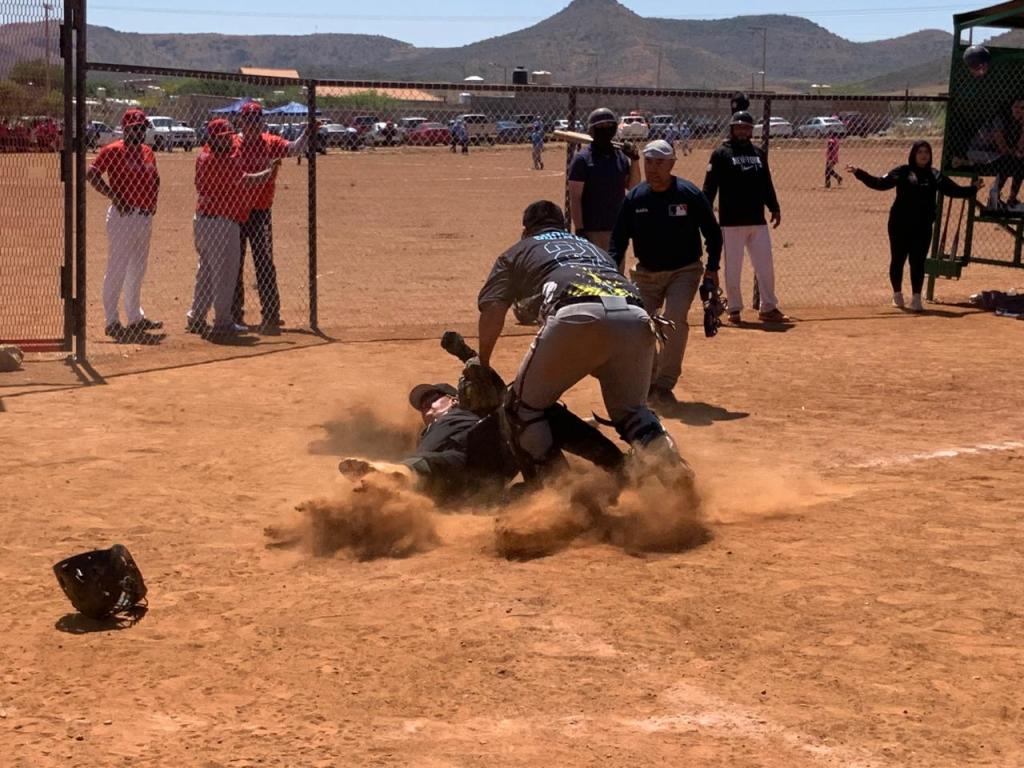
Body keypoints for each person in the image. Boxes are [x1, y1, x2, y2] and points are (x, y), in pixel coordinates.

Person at [476, 200, 691, 486]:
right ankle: (673, 470)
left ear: (525, 230)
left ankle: (557, 493)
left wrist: (484, 362)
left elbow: (492, 309)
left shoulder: (518, 251)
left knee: (521, 408)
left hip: (576, 314)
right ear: (562, 227)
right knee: (632, 412)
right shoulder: (590, 247)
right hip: (637, 317)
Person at [608, 140, 722, 407]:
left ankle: (665, 383)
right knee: (638, 325)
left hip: (684, 270)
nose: (653, 168)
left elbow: (713, 234)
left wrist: (712, 268)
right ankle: (649, 379)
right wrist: (612, 272)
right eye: (649, 162)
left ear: (672, 164)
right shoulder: (635, 199)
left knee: (673, 318)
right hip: (645, 275)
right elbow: (618, 240)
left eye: (660, 162)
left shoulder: (689, 194)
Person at [847, 140, 982, 312]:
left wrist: (972, 189)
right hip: (899, 224)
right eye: (920, 152)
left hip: (923, 226)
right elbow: (879, 183)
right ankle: (897, 295)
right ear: (913, 154)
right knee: (898, 259)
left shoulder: (934, 174)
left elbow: (953, 190)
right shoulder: (902, 171)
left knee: (917, 262)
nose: (923, 155)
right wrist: (859, 173)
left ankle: (917, 298)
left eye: (926, 152)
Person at [186, 118, 279, 336]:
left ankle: (196, 316)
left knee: (206, 272)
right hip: (222, 222)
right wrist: (268, 172)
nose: (228, 142)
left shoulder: (204, 155)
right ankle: (223, 322)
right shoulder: (220, 161)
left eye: (229, 137)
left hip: (203, 221)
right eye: (222, 139)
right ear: (211, 139)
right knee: (226, 274)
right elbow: (246, 181)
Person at [232, 101, 311, 333]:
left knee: (264, 262)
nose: (253, 125)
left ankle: (271, 314)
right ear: (242, 122)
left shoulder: (270, 142)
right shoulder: (234, 144)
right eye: (249, 121)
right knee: (235, 264)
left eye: (257, 120)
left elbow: (295, 149)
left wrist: (307, 132)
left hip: (261, 211)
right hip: (236, 212)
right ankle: (236, 315)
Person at [702, 110, 787, 324]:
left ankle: (768, 307)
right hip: (731, 222)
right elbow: (709, 187)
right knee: (733, 267)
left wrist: (774, 206)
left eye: (746, 127)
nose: (743, 130)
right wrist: (705, 212)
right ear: (732, 129)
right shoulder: (721, 154)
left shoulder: (758, 154)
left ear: (751, 131)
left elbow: (766, 183)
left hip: (757, 220)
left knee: (765, 266)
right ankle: (734, 308)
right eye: (739, 127)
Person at [86, 108, 162, 339]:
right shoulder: (113, 150)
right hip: (123, 217)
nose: (141, 132)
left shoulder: (148, 152)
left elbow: (156, 179)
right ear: (126, 129)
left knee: (138, 269)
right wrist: (114, 196)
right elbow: (92, 175)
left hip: (143, 217)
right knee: (117, 269)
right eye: (137, 128)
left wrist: (153, 203)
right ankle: (111, 321)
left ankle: (135, 317)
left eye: (143, 128)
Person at [567, 108, 641, 252]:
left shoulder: (620, 157)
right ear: (592, 130)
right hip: (592, 228)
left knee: (615, 271)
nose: (605, 130)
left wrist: (635, 160)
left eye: (609, 126)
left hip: (617, 227)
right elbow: (575, 199)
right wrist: (580, 229)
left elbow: (633, 186)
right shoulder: (582, 159)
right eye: (600, 127)